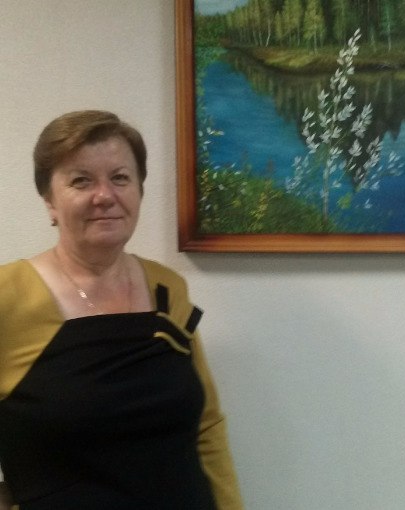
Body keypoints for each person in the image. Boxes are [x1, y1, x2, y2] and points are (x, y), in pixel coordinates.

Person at [0, 110, 244, 510]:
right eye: (81, 180)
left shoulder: (167, 288)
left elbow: (207, 425)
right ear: (49, 201)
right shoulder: (7, 297)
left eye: (120, 177)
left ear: (139, 191)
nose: (105, 195)